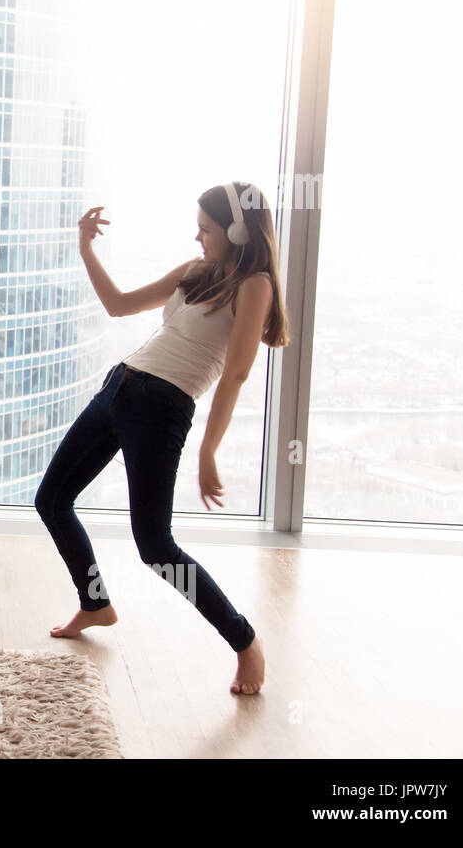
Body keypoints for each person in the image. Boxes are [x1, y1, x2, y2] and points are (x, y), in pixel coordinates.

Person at [34, 183, 291, 695]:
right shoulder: (195, 272)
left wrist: (209, 450)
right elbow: (119, 304)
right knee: (52, 500)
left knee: (155, 546)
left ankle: (245, 642)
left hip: (161, 408)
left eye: (206, 229)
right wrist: (85, 248)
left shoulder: (255, 284)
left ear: (238, 231)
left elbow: (237, 373)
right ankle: (95, 603)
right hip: (119, 386)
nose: (197, 237)